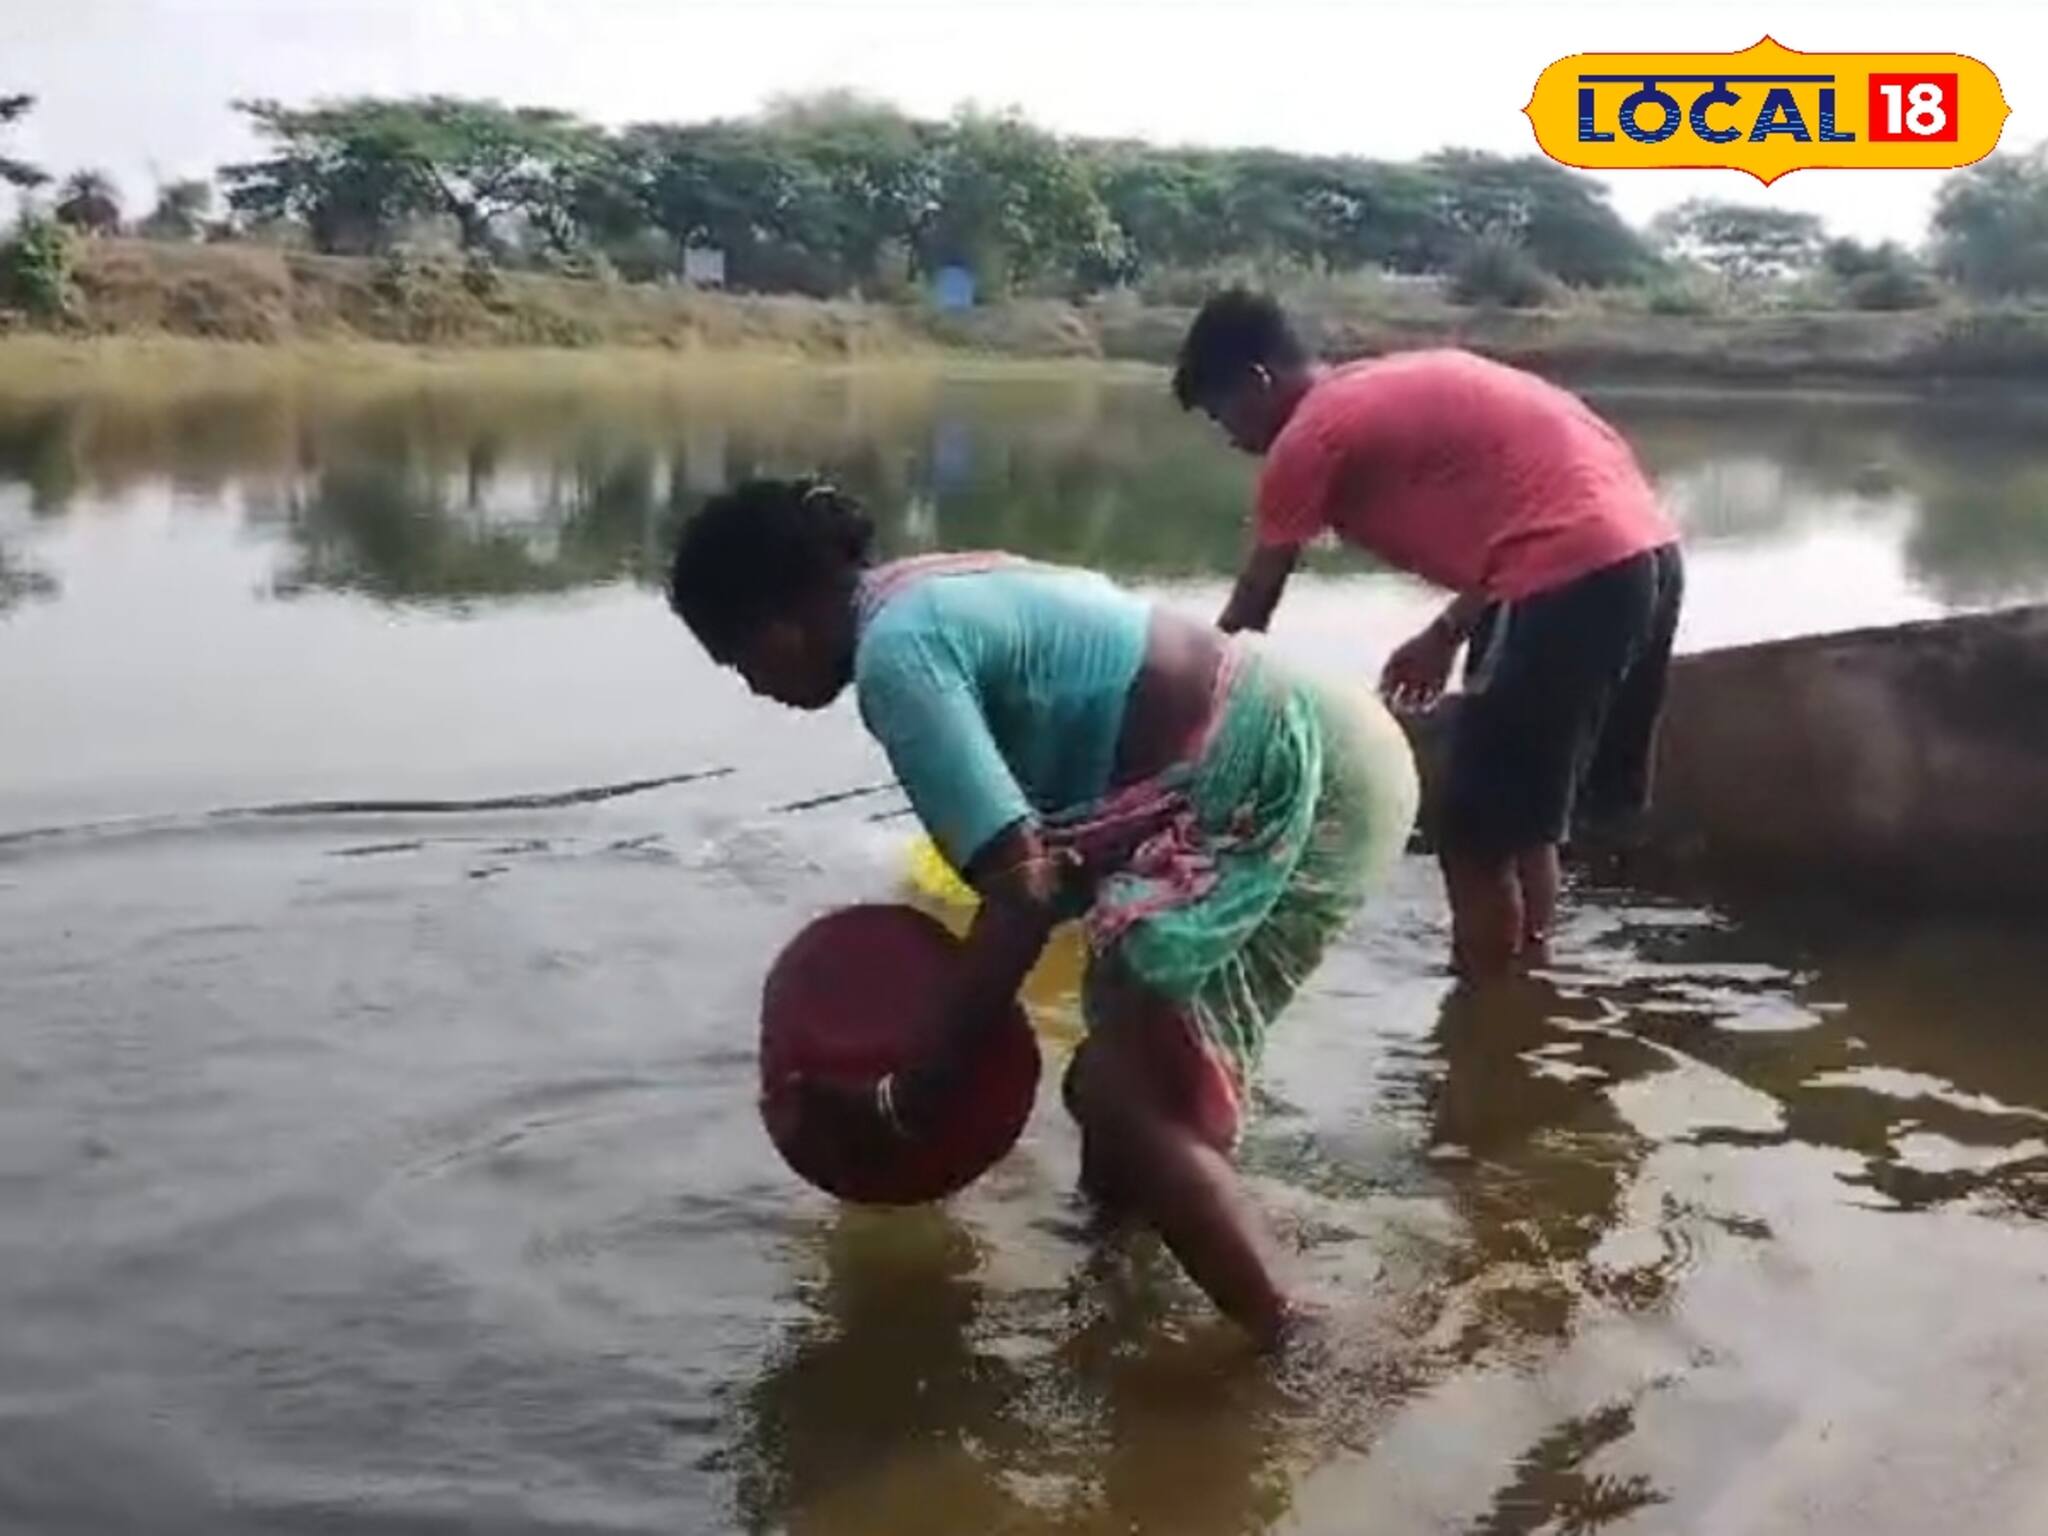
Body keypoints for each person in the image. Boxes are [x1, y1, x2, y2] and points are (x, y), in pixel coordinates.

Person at [667, 478, 1417, 1346]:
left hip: (1275, 775)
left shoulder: (898, 658)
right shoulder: (925, 593)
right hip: (1305, 745)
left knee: (1128, 1100)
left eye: (740, 663)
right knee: (1123, 1074)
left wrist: (908, 1099)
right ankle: (1108, 1283)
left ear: (774, 627)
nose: (755, 688)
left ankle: (1305, 1346)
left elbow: (1020, 894)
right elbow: (1044, 876)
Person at [1172, 290, 1684, 982]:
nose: (1227, 435)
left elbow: (1249, 619)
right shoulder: (1375, 389)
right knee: (1521, 816)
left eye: (1219, 411)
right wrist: (1447, 631)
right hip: (1639, 558)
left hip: (1571, 576)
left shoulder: (1309, 437)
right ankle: (1528, 976)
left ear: (1259, 382)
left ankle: (1484, 1016)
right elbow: (1546, 508)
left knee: (1473, 835)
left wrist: (1171, 720)